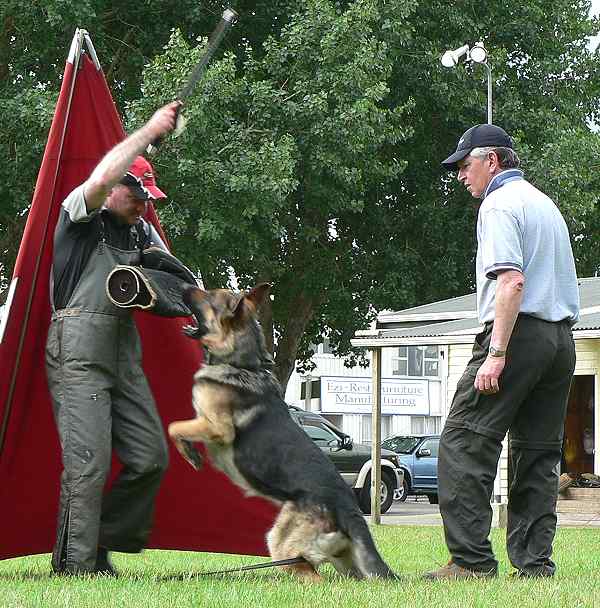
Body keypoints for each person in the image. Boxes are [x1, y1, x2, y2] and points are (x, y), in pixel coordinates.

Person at [424, 124, 579, 580]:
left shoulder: (498, 204)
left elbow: (510, 281)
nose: (459, 176)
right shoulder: (544, 204)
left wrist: (496, 352)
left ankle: (470, 563)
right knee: (537, 452)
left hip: (517, 334)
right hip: (560, 341)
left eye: (464, 165)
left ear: (491, 160)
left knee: (464, 442)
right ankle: (534, 565)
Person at [46, 101, 181, 575]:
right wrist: (148, 131)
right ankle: (76, 569)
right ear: (116, 189)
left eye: (149, 199)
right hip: (77, 353)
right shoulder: (80, 215)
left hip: (124, 355)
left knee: (150, 458)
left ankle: (101, 541)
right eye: (139, 195)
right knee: (87, 466)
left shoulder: (142, 231)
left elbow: (176, 283)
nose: (145, 205)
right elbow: (101, 177)